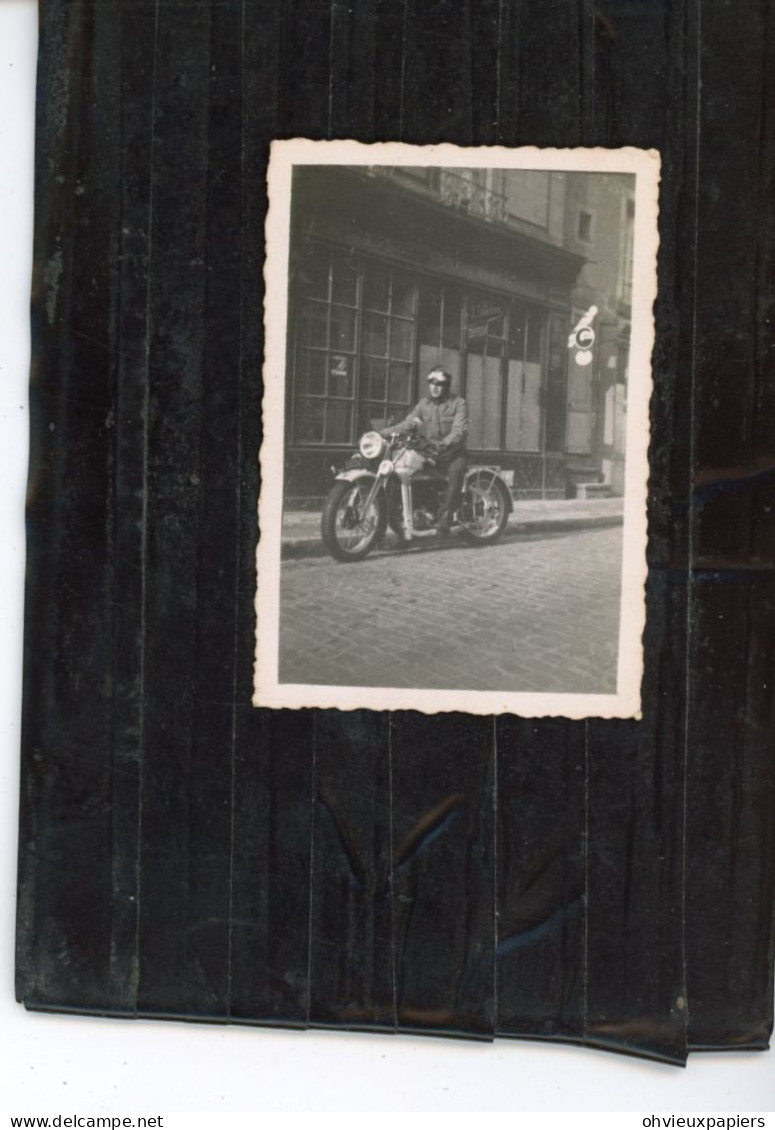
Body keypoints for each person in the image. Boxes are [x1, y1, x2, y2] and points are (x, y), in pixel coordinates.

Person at [383, 366, 468, 536]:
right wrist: (381, 434)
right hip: (429, 452)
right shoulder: (423, 404)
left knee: (456, 472)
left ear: (447, 385)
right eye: (431, 382)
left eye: (440, 383)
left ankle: (445, 516)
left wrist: (442, 445)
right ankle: (411, 517)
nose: (435, 387)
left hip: (451, 453)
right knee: (405, 472)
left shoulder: (459, 403)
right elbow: (407, 424)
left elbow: (459, 432)